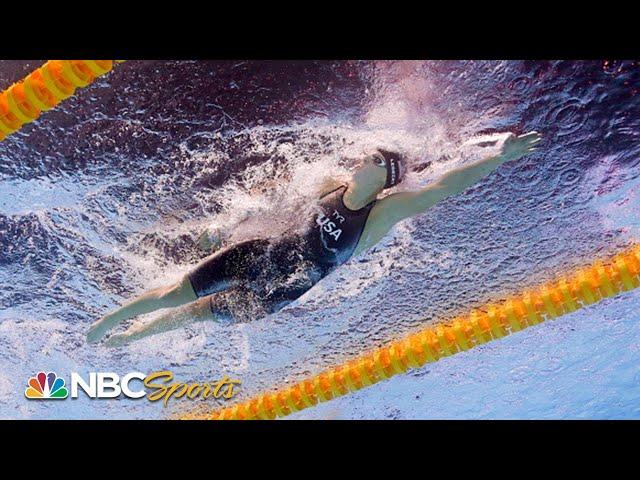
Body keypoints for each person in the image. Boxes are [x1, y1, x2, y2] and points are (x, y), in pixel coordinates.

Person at [87, 132, 541, 346]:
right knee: (173, 294)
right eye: (366, 156)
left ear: (384, 177)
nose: (361, 160)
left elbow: (444, 188)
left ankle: (130, 339)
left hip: (281, 292)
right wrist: (225, 225)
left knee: (193, 317)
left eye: (373, 160)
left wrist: (496, 159)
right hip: (256, 258)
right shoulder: (328, 182)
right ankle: (109, 324)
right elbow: (273, 199)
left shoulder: (379, 216)